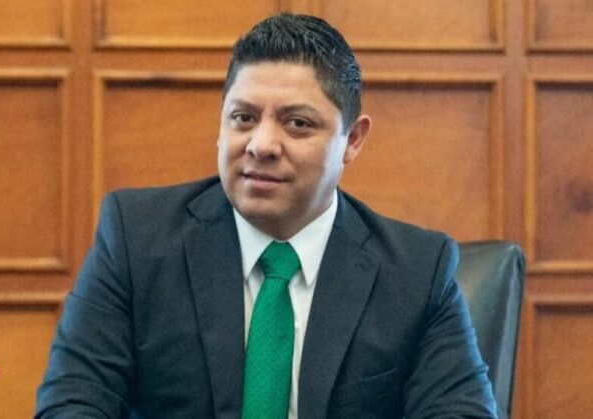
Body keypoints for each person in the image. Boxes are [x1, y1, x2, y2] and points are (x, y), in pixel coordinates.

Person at [35, 13, 497, 418]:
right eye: (243, 118)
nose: (261, 145)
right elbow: (71, 404)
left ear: (353, 140)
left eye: (297, 123)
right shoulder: (136, 240)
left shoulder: (417, 272)